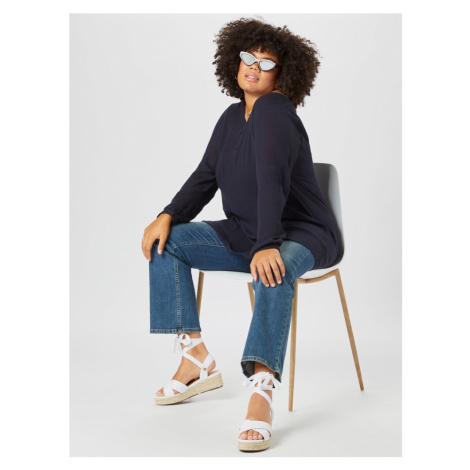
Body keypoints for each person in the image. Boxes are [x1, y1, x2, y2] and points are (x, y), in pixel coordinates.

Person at [141, 17, 338, 452]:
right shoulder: (232, 117)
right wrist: (167, 214)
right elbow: (205, 176)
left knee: (273, 270)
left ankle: (261, 389)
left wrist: (268, 244)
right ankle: (194, 357)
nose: (254, 67)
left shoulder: (275, 110)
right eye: (249, 57)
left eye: (266, 63)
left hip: (303, 233)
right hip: (249, 233)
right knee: (166, 243)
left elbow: (271, 177)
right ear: (234, 61)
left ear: (282, 75)